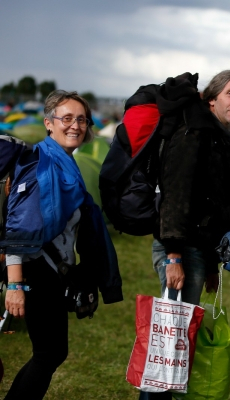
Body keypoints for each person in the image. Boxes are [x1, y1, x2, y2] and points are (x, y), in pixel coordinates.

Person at [2, 90, 122, 399]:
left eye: (81, 119)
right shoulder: (38, 165)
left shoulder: (67, 166)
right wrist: (15, 286)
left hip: (51, 272)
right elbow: (19, 225)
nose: (75, 126)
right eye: (66, 118)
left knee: (52, 352)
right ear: (49, 124)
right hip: (34, 270)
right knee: (49, 353)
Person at [141, 70, 230, 399]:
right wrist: (173, 255)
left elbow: (218, 204)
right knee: (170, 345)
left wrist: (216, 260)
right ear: (212, 98)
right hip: (181, 247)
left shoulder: (220, 135)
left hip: (198, 249)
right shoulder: (196, 131)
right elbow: (176, 192)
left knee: (176, 341)